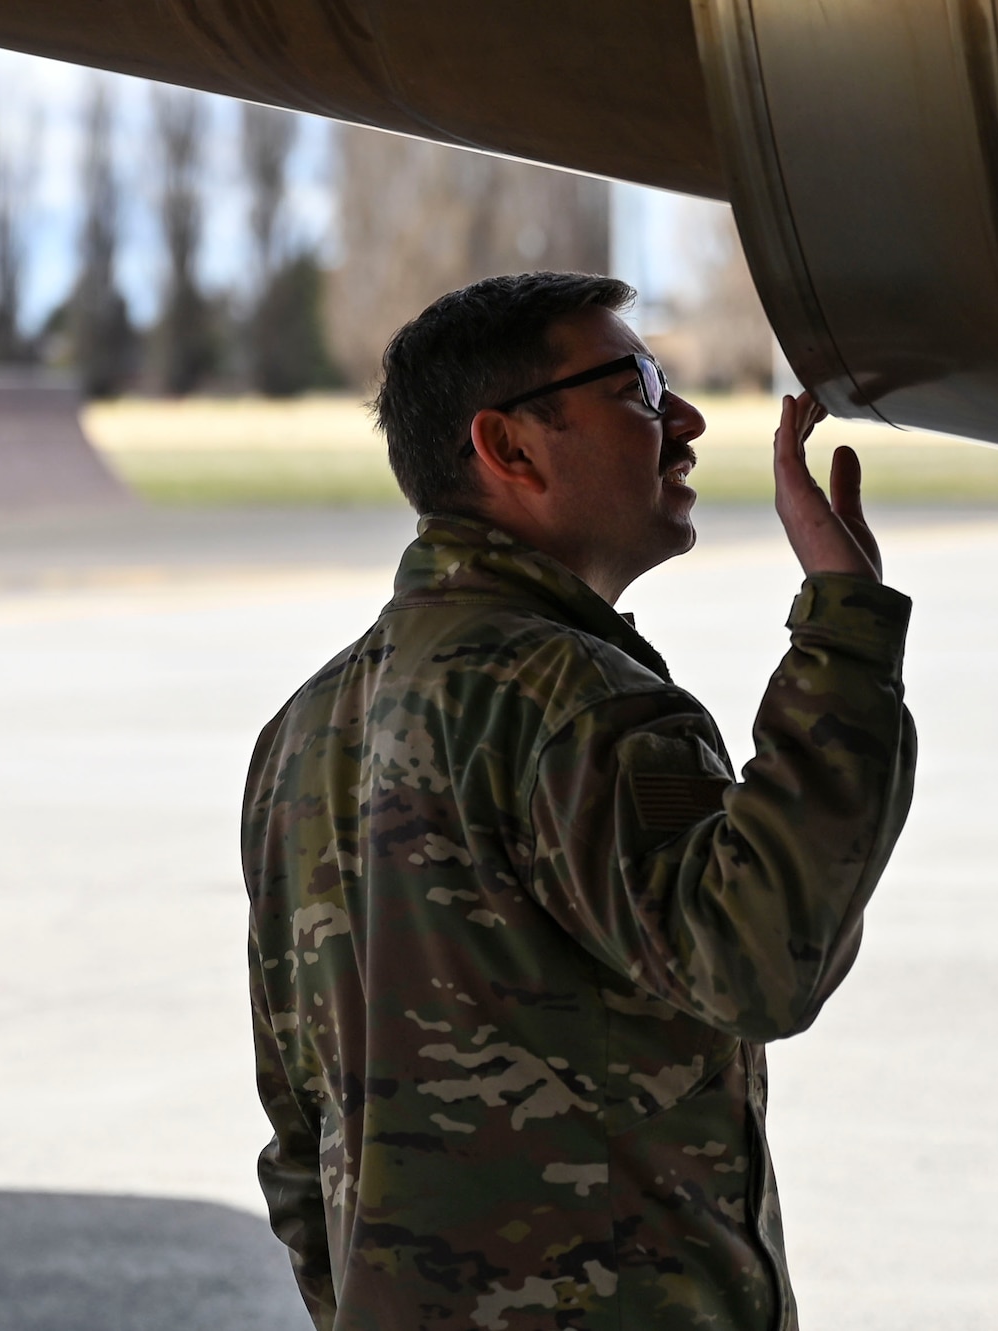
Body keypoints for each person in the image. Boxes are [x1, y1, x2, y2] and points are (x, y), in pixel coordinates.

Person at [242, 271, 917, 1330]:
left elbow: (299, 1126)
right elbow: (759, 960)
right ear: (509, 447)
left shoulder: (301, 730)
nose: (685, 420)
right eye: (640, 388)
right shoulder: (580, 702)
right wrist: (846, 632)